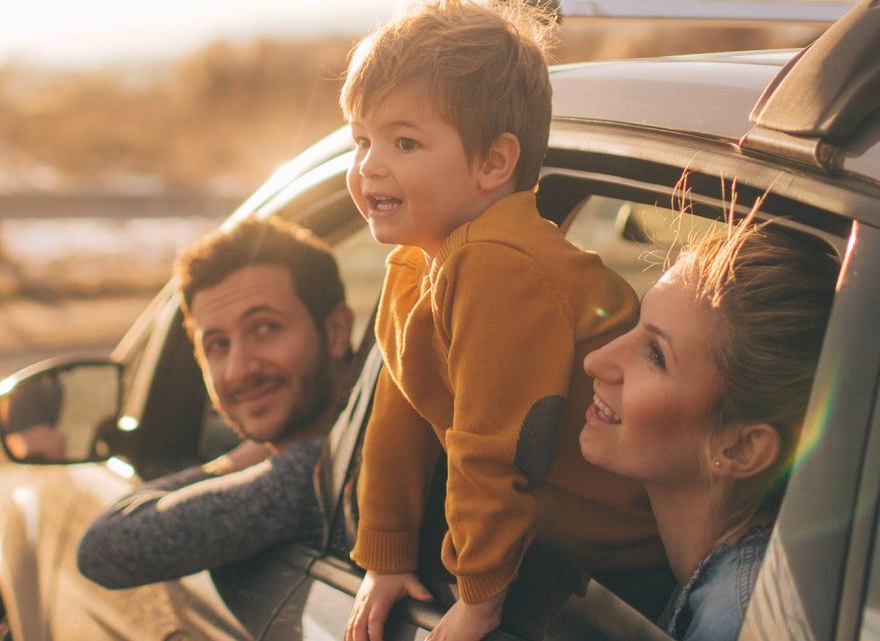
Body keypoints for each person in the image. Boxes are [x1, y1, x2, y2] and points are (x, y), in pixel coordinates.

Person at [342, 3, 668, 640]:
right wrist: (384, 556)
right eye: (362, 140)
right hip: (567, 541)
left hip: (640, 554)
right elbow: (399, 411)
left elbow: (493, 446)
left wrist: (479, 597)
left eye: (404, 142)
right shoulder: (418, 263)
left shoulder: (497, 264)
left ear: (494, 162)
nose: (369, 166)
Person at [580, 216, 840, 641]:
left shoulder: (736, 620)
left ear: (740, 449)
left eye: (655, 355)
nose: (596, 361)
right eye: (635, 325)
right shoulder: (737, 582)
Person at [76, 216, 355, 589]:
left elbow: (105, 549)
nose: (239, 370)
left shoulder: (327, 473)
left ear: (336, 331)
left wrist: (238, 461)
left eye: (265, 327)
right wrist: (252, 455)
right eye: (217, 345)